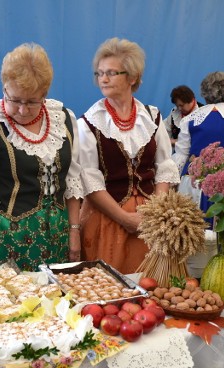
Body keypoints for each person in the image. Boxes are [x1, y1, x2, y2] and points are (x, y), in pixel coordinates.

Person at [0, 43, 83, 272]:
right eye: (14, 100)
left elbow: (71, 182)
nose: (22, 109)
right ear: (4, 89)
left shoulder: (64, 120)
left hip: (57, 240)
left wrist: (74, 230)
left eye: (32, 101)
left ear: (45, 94)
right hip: (5, 245)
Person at [77, 37, 180, 274]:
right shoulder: (89, 123)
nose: (103, 78)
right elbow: (89, 180)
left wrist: (155, 210)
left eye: (112, 72)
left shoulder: (152, 117)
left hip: (151, 220)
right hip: (108, 217)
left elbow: (164, 165)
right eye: (99, 73)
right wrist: (125, 218)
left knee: (155, 287)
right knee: (111, 292)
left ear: (132, 77)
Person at [173, 71, 224, 218]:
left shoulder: (190, 120)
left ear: (204, 93)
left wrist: (171, 183)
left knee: (195, 234)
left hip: (196, 187)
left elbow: (181, 156)